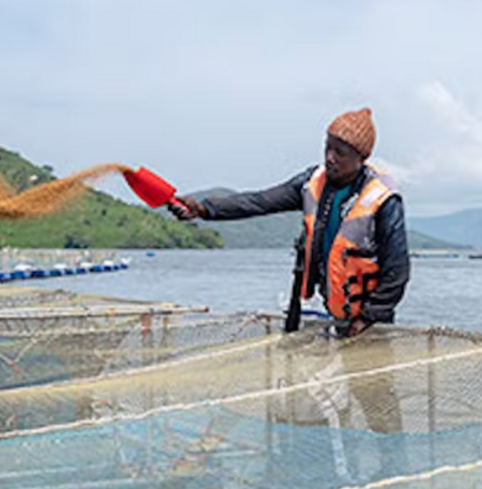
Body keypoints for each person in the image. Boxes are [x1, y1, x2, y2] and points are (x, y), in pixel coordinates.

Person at [169, 107, 409, 339]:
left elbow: (397, 272)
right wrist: (204, 209)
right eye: (327, 148)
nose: (329, 158)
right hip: (335, 311)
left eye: (340, 153)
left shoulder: (383, 200)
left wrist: (367, 317)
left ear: (361, 158)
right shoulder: (312, 183)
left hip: (373, 323)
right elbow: (259, 201)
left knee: (371, 380)